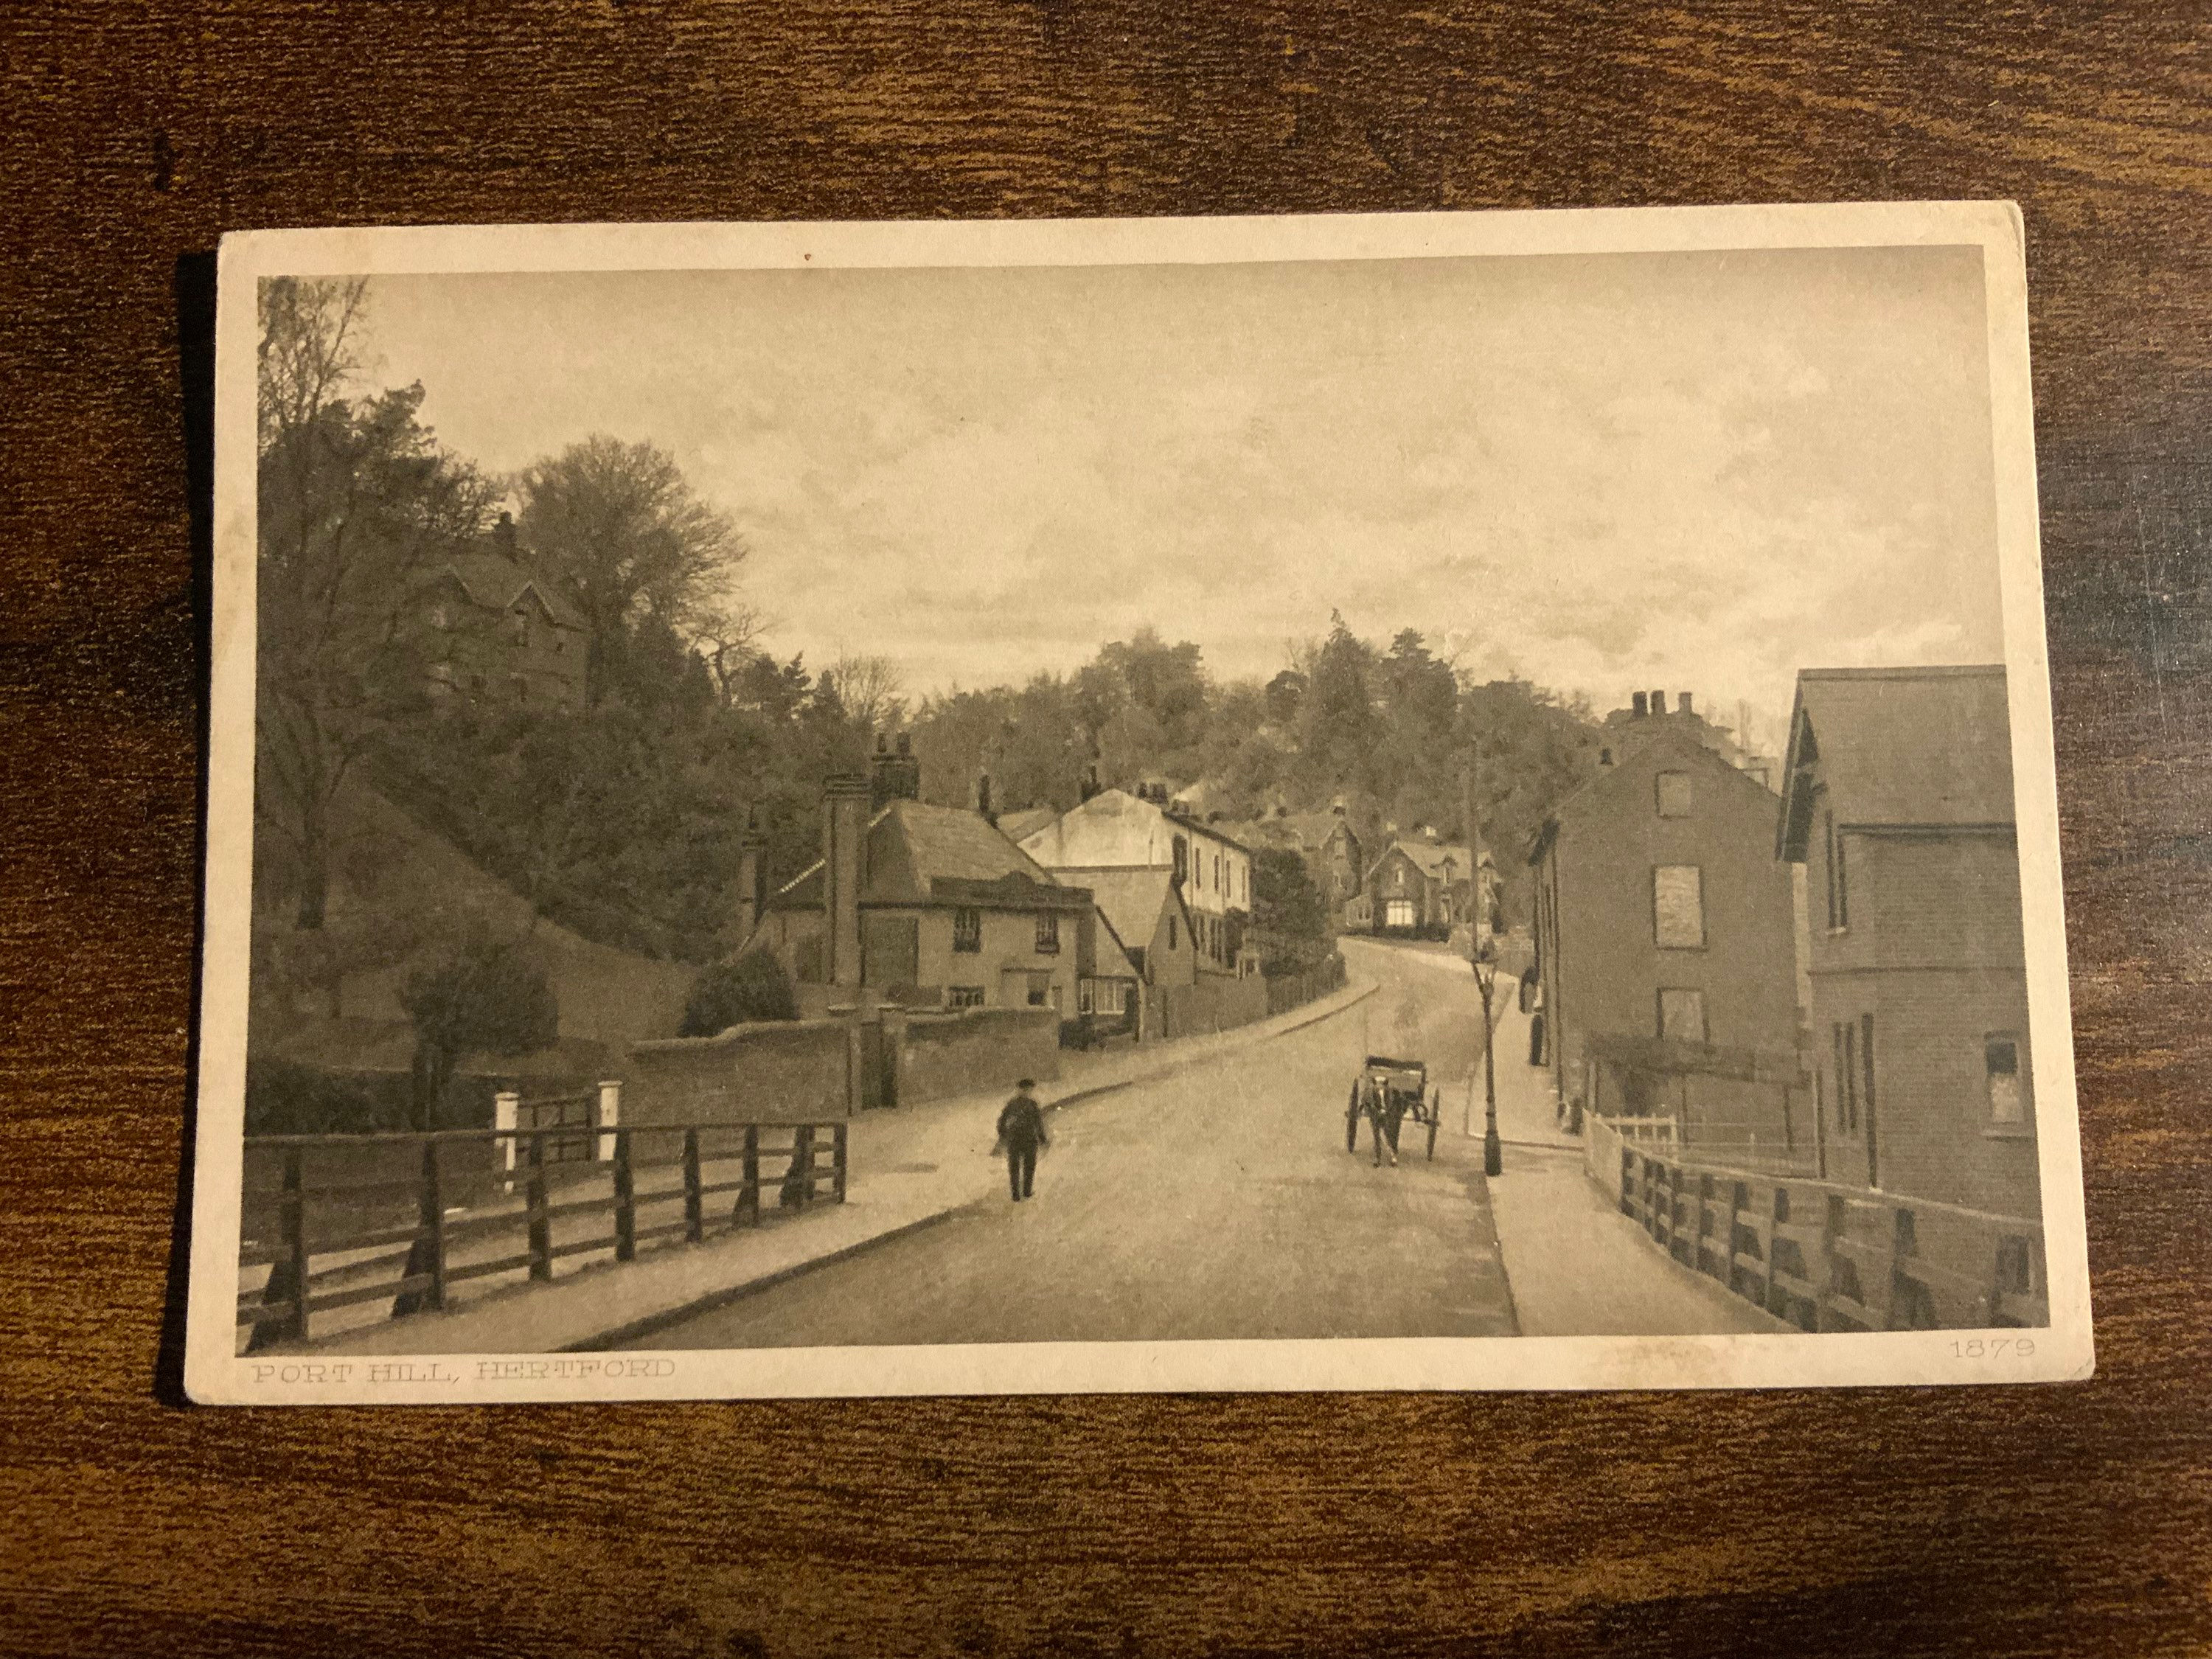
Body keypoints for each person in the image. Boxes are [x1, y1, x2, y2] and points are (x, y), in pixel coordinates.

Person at [996, 1079, 1050, 1202]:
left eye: (1028, 1090)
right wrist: (1042, 1139)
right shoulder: (1031, 1104)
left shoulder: (1013, 1104)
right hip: (1026, 1139)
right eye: (1026, 1090)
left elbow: (1002, 1122)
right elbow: (1038, 1123)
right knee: (1027, 1166)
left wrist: (1003, 1134)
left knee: (1017, 1167)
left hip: (1017, 1139)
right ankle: (1025, 1192)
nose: (1027, 1092)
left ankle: (1018, 1193)